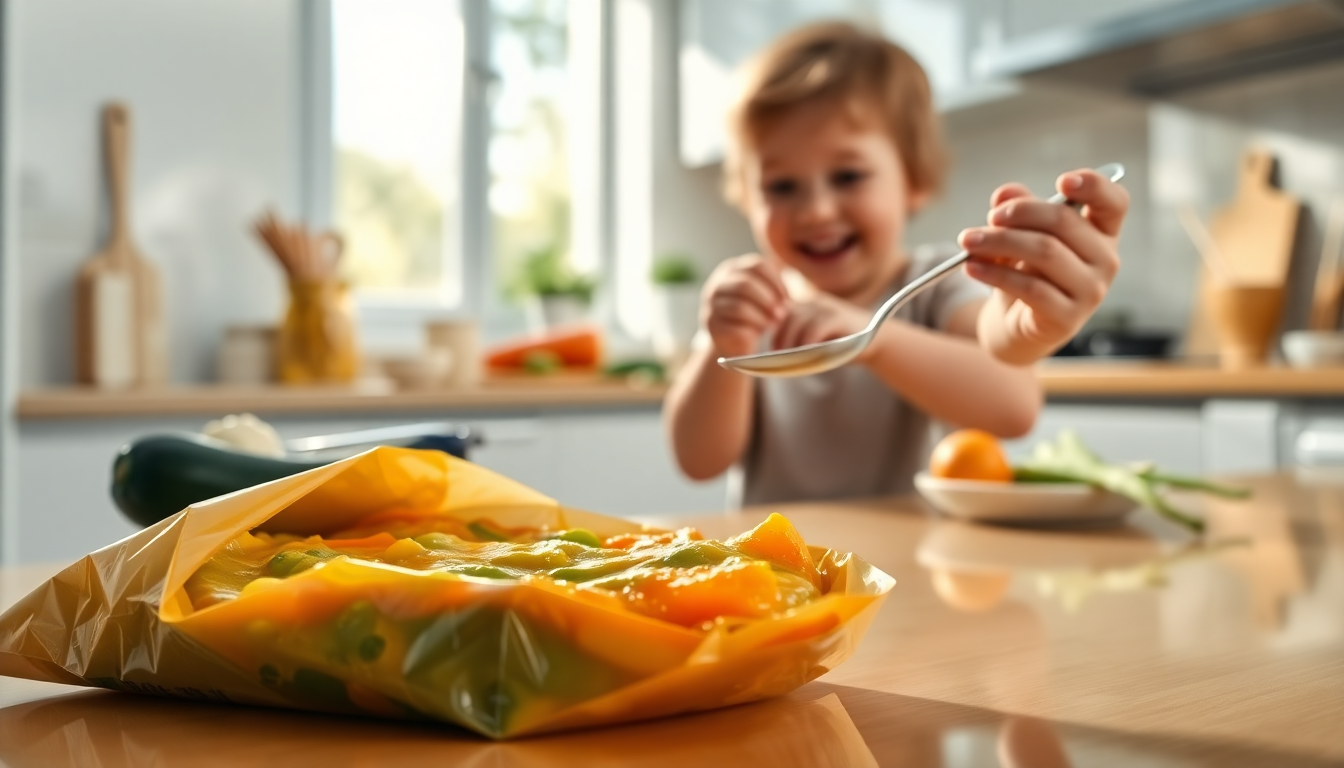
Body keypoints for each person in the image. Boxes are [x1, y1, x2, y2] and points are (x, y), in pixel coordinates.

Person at [663, 22, 1129, 505]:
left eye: (847, 176)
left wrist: (875, 341)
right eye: (781, 187)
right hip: (781, 576)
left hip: (912, 570)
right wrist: (721, 344)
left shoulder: (934, 285)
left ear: (913, 179)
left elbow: (1014, 408)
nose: (816, 210)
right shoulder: (749, 304)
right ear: (746, 197)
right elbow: (699, 462)